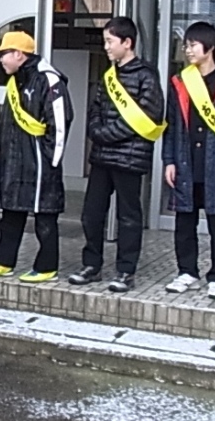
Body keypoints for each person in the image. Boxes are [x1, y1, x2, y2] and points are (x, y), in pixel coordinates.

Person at [69, 16, 165, 292]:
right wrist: (97, 131)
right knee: (91, 214)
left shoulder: (147, 75)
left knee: (128, 217)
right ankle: (92, 265)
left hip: (129, 158)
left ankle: (125, 271)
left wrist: (105, 134)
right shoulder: (108, 75)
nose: (106, 47)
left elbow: (146, 117)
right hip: (102, 157)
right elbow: (95, 109)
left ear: (127, 42)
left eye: (110, 41)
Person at [163, 22, 215, 298]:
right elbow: (171, 125)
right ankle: (186, 272)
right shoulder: (180, 82)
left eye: (193, 45)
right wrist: (169, 160)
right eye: (186, 45)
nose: (187, 50)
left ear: (210, 48)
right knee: (184, 223)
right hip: (186, 163)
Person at [0, 31, 72, 283]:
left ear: (19, 54)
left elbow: (60, 123)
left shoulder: (48, 80)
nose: (0, 60)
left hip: (40, 162)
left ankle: (46, 267)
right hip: (14, 160)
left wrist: (50, 160)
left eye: (4, 54)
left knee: (44, 216)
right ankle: (3, 262)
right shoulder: (15, 81)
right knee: (10, 214)